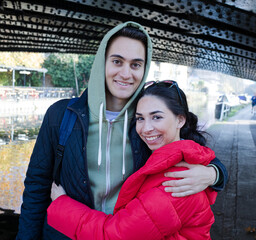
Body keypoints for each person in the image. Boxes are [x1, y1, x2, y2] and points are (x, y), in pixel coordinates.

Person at [16, 22, 228, 240]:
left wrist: (214, 173)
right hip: (64, 233)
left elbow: (194, 151)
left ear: (144, 69)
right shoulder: (61, 115)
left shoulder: (146, 121)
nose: (126, 73)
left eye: (136, 65)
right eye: (117, 61)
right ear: (102, 63)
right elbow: (37, 186)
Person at [47, 80, 218, 239]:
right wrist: (215, 173)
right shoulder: (175, 160)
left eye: (157, 117)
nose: (146, 128)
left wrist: (61, 204)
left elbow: (115, 235)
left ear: (180, 120)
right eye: (140, 118)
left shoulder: (178, 182)